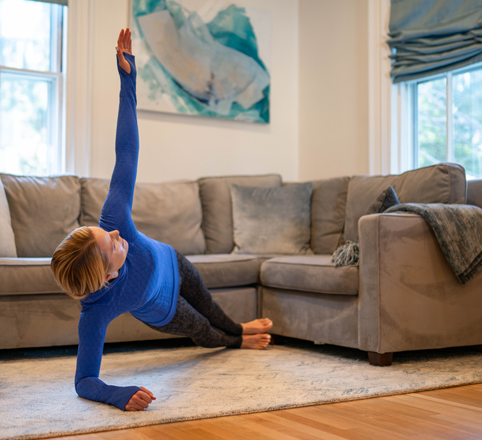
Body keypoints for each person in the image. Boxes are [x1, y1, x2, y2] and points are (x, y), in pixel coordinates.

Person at [50, 28, 273, 412]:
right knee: (203, 331)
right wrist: (118, 395)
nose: (116, 233)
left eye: (104, 233)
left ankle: (237, 328)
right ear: (106, 277)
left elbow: (126, 153)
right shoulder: (96, 312)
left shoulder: (111, 218)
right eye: (113, 245)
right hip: (164, 310)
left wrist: (128, 79)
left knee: (210, 306)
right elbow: (84, 381)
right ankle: (236, 340)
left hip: (173, 260)